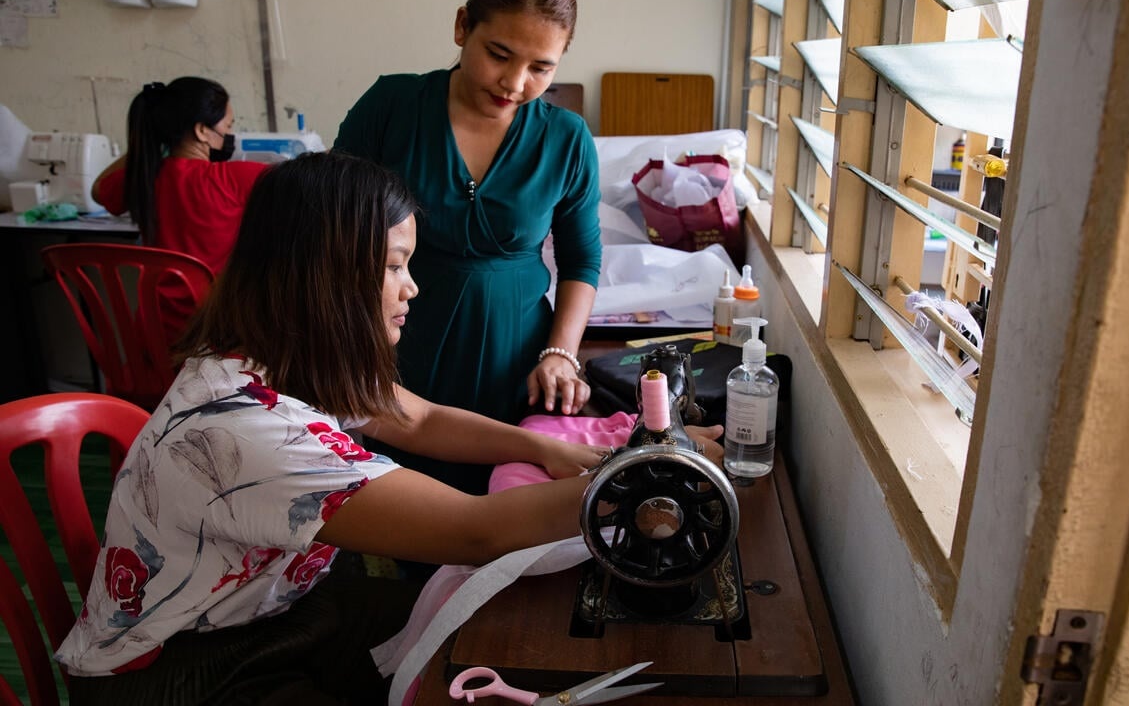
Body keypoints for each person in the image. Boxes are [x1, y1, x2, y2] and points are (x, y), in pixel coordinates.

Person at [55, 151, 728, 705]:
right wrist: (653, 468)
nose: (412, 288)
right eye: (394, 266)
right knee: (472, 638)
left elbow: (421, 417)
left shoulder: (284, 356)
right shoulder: (246, 429)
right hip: (186, 672)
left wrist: (553, 449)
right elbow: (477, 528)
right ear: (326, 279)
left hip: (274, 609)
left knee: (467, 625)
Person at [334, 0, 601, 493]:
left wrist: (561, 355)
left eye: (541, 68)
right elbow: (329, 225)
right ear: (462, 26)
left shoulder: (567, 139)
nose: (514, 82)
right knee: (401, 506)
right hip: (394, 349)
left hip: (514, 359)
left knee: (498, 506)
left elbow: (581, 259)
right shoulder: (393, 107)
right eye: (498, 54)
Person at [91, 76, 269, 340]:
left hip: (154, 334)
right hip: (213, 335)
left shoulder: (146, 179)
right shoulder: (233, 178)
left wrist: (147, 142)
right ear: (201, 131)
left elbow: (98, 190)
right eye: (228, 126)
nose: (231, 135)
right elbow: (300, 184)